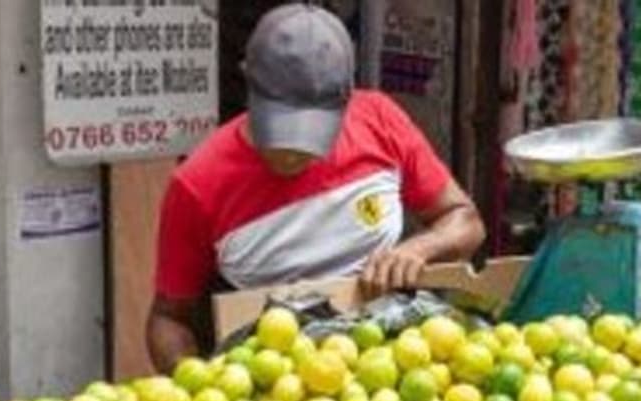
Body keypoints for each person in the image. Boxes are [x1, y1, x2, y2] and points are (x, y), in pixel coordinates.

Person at [147, 3, 485, 373]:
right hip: (271, 377)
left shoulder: (380, 121)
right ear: (247, 82)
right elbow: (169, 318)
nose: (292, 155)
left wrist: (420, 248)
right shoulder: (197, 183)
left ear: (346, 100)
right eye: (279, 127)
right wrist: (193, 381)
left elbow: (465, 220)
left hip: (391, 364)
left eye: (311, 133)